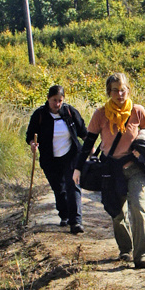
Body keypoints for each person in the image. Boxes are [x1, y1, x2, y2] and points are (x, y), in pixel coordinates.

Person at [74, 71, 145, 267]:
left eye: (123, 90)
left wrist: (144, 154)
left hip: (135, 169)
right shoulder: (100, 114)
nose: (120, 94)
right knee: (117, 213)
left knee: (139, 207)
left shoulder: (137, 111)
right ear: (109, 92)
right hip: (111, 170)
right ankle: (125, 250)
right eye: (115, 90)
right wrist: (77, 168)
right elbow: (88, 143)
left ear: (128, 90)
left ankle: (142, 255)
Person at [25, 84, 87, 233]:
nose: (57, 104)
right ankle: (64, 215)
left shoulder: (70, 112)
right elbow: (30, 135)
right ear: (48, 99)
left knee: (73, 186)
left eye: (60, 100)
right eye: (54, 100)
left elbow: (82, 131)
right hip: (49, 159)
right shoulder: (40, 115)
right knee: (59, 189)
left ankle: (76, 222)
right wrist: (33, 144)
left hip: (71, 156)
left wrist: (90, 147)